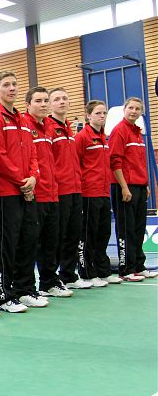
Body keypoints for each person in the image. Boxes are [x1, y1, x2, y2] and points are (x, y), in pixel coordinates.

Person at [0, 71, 44, 313]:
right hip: (6, 192)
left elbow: (33, 155)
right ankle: (4, 294)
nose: (12, 88)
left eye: (15, 84)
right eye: (6, 85)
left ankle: (25, 289)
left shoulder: (23, 120)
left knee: (28, 241)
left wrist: (33, 178)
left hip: (27, 190)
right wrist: (21, 180)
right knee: (7, 245)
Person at [24, 87, 73, 299]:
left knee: (52, 242)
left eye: (45, 100)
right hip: (36, 194)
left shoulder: (48, 128)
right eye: (39, 101)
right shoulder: (26, 126)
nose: (43, 104)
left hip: (54, 193)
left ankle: (49, 282)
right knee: (32, 243)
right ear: (28, 104)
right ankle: (27, 287)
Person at [45, 88, 92, 289]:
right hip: (59, 191)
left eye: (65, 98)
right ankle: (50, 279)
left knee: (74, 234)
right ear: (50, 104)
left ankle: (68, 275)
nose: (62, 102)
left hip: (75, 189)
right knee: (57, 236)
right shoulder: (48, 127)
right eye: (57, 99)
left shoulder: (70, 129)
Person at [108, 97, 157, 282]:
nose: (134, 111)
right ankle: (126, 269)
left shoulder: (138, 133)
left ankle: (138, 266)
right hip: (124, 187)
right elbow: (115, 161)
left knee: (138, 228)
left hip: (139, 187)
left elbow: (139, 162)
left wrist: (144, 185)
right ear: (125, 109)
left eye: (137, 109)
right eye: (131, 108)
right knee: (126, 228)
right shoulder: (119, 131)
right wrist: (124, 187)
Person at [76, 101, 120, 286]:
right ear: (88, 115)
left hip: (103, 192)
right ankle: (87, 272)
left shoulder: (104, 137)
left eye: (104, 113)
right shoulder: (82, 137)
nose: (102, 116)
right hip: (88, 193)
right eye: (98, 113)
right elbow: (76, 164)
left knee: (103, 233)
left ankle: (103, 270)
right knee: (88, 234)